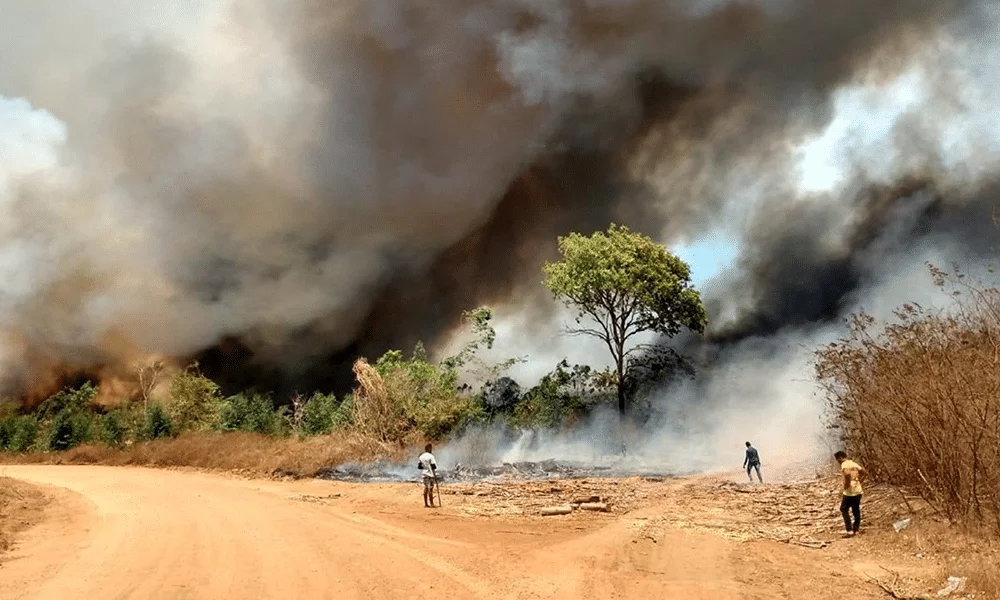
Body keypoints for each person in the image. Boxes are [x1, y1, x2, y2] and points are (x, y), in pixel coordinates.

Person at [835, 450, 867, 536]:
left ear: (841, 457)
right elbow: (864, 472)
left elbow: (847, 475)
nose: (838, 462)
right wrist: (860, 481)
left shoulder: (844, 464)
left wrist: (847, 485)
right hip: (858, 489)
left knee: (843, 509)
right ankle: (856, 529)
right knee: (856, 510)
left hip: (850, 491)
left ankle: (849, 530)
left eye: (838, 460)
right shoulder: (854, 463)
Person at [417, 443, 438, 508]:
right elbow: (434, 466)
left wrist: (425, 466)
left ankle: (426, 504)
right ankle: (432, 504)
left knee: (426, 488)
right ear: (429, 449)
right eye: (431, 448)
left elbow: (419, 467)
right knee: (430, 489)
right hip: (430, 474)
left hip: (424, 474)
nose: (432, 450)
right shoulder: (431, 456)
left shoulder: (421, 456)